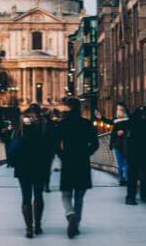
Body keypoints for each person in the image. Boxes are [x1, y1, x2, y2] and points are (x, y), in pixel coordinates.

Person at [55, 97, 99, 238]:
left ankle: (70, 214)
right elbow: (95, 143)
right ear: (79, 108)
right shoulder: (86, 124)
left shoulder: (62, 124)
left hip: (68, 161)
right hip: (82, 162)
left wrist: (62, 155)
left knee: (66, 193)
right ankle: (76, 224)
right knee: (79, 196)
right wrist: (87, 152)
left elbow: (55, 144)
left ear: (68, 108)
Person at [8, 104, 52, 238]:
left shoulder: (21, 128)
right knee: (38, 195)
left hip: (23, 166)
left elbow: (13, 147)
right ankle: (37, 225)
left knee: (26, 197)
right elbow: (51, 145)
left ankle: (29, 229)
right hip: (40, 166)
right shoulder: (45, 126)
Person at [125, 106, 146, 205]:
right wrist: (144, 120)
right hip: (135, 153)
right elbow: (130, 125)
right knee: (133, 177)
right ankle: (131, 197)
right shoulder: (132, 121)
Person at [94, 102, 130, 185]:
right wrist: (101, 117)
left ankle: (127, 180)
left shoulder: (129, 120)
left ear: (124, 110)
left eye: (120, 109)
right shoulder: (116, 119)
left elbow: (130, 128)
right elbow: (109, 122)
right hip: (117, 145)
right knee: (120, 164)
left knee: (126, 164)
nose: (118, 111)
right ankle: (122, 179)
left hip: (126, 145)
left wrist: (123, 131)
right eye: (117, 109)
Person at [43, 108, 61, 192]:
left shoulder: (41, 123)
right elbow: (56, 137)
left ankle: (43, 185)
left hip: (41, 149)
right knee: (47, 168)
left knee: (42, 168)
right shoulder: (53, 124)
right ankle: (46, 185)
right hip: (50, 149)